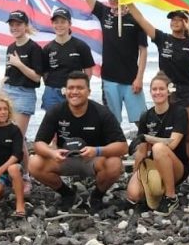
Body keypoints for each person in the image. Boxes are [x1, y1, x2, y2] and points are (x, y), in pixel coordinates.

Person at [61, 0, 148, 124]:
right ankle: (116, 151)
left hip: (131, 79)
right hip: (109, 79)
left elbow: (143, 51)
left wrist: (139, 78)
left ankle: (145, 149)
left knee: (141, 121)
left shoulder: (136, 17)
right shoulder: (104, 12)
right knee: (111, 121)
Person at [30, 71, 128, 213]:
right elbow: (38, 144)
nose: (74, 92)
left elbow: (123, 147)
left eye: (80, 88)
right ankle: (67, 194)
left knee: (114, 163)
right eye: (70, 88)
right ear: (65, 91)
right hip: (64, 159)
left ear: (88, 91)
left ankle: (97, 196)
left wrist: (98, 150)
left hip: (93, 159)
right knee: (34, 163)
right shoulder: (56, 111)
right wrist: (52, 153)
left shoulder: (102, 112)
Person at [127, 4, 189, 158]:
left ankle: (188, 165)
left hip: (185, 91)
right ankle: (164, 158)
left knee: (188, 134)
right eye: (173, 19)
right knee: (165, 131)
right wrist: (129, 3)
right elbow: (141, 20)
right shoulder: (162, 38)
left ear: (186, 22)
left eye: (179, 20)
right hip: (165, 90)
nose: (175, 22)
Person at [126, 72, 189, 215]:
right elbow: (142, 151)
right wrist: (136, 175)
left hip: (177, 167)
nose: (158, 92)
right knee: (133, 194)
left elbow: (172, 144)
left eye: (161, 89)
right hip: (154, 165)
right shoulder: (146, 116)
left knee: (159, 148)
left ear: (169, 91)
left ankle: (171, 197)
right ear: (150, 92)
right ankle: (152, 194)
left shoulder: (179, 112)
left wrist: (147, 138)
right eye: (154, 89)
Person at [2, 10, 43, 194]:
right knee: (6, 136)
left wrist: (19, 64)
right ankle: (10, 174)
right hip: (7, 92)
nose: (14, 27)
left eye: (18, 24)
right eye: (12, 24)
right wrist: (0, 93)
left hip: (25, 93)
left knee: (18, 138)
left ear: (26, 26)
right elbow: (7, 74)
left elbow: (36, 78)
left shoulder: (34, 48)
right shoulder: (10, 47)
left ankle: (26, 176)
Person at [41, 7, 95, 110]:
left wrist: (78, 88)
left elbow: (88, 72)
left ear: (69, 24)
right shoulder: (47, 48)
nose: (59, 25)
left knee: (74, 122)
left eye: (63, 22)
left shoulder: (81, 46)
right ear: (52, 24)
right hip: (52, 92)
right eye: (56, 22)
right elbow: (45, 73)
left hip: (74, 92)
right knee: (52, 123)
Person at [0, 95, 27, 218]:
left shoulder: (14, 129)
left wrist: (0, 171)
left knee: (13, 168)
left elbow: (17, 154)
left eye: (5, 109)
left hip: (14, 168)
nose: (3, 112)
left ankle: (20, 204)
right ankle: (7, 191)